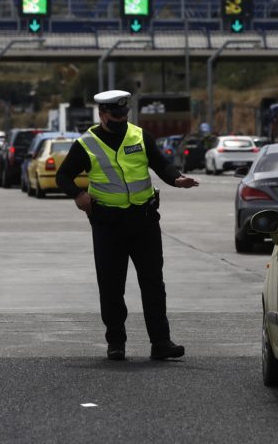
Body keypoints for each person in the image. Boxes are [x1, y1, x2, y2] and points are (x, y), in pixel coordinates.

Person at [56, 90, 200, 361]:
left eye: (124, 115)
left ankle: (161, 342)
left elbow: (161, 164)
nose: (121, 120)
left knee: (153, 283)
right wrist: (78, 194)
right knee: (111, 286)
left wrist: (177, 178)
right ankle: (116, 343)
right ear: (102, 115)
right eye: (115, 116)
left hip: (143, 222)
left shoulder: (139, 135)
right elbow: (63, 175)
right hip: (108, 225)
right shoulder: (87, 143)